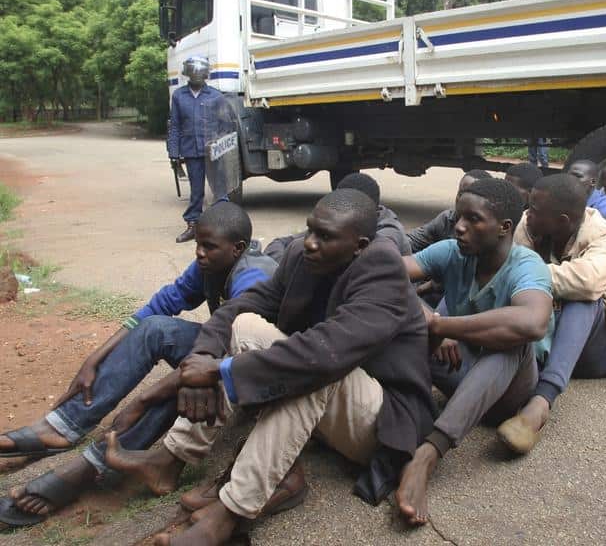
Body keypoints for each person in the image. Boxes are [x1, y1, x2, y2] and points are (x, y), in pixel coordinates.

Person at [102, 189, 436, 546]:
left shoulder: (383, 269)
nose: (309, 243)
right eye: (310, 230)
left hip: (384, 422)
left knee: (315, 368)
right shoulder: (301, 257)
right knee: (246, 325)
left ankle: (229, 513)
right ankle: (170, 460)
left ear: (360, 245)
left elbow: (327, 354)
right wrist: (201, 358)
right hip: (331, 402)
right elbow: (240, 307)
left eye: (325, 237)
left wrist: (219, 373)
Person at [0, 202, 278, 528]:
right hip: (221, 355)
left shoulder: (254, 276)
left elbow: (233, 352)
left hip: (260, 374)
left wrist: (147, 397)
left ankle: (96, 465)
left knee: (190, 380)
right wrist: (94, 359)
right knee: (155, 329)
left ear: (238, 249)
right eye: (197, 245)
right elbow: (159, 306)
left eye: (208, 247)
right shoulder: (210, 265)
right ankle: (62, 426)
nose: (199, 253)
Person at [395, 178, 553, 526]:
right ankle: (387, 413)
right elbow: (385, 271)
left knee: (510, 342)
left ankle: (427, 455)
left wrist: (442, 327)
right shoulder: (453, 252)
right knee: (402, 325)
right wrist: (430, 318)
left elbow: (532, 323)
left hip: (510, 392)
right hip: (462, 371)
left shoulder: (526, 266)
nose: (460, 228)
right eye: (457, 218)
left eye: (473, 220)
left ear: (504, 228)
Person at [499, 174, 606, 453]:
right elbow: (503, 269)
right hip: (542, 337)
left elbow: (587, 282)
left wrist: (524, 276)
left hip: (593, 351)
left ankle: (541, 403)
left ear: (563, 221)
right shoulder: (527, 225)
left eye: (535, 211)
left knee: (585, 299)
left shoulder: (605, 235)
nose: (527, 214)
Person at [265, 172, 412, 261]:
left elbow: (357, 264)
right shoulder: (337, 221)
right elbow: (278, 244)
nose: (311, 243)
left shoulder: (388, 233)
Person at [168, 56, 234, 243]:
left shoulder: (216, 96)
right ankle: (193, 226)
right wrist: (173, 153)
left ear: (206, 74)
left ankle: (224, 228)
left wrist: (220, 144)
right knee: (196, 191)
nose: (197, 75)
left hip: (213, 152)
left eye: (200, 72)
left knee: (220, 189)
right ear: (187, 73)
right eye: (193, 72)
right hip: (191, 150)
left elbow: (226, 125)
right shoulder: (179, 96)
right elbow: (175, 126)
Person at [407, 169, 492, 253]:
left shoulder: (491, 230)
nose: (464, 200)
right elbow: (412, 241)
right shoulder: (447, 219)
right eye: (461, 194)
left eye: (473, 197)